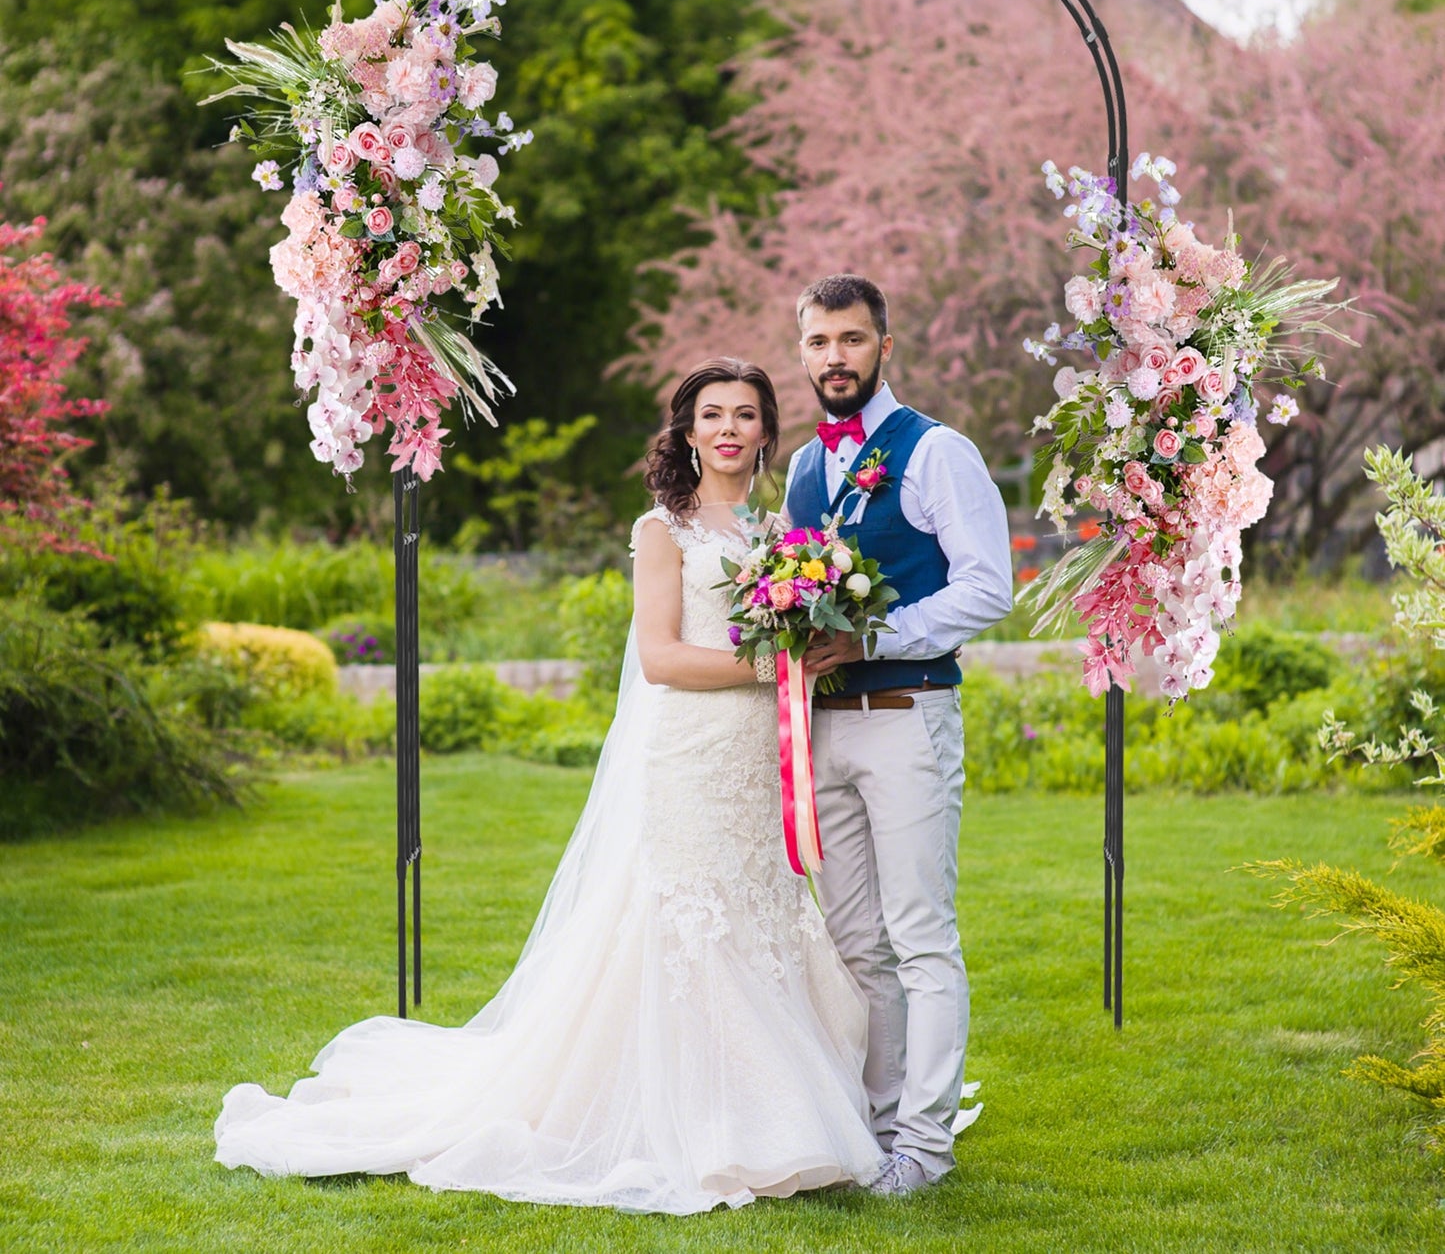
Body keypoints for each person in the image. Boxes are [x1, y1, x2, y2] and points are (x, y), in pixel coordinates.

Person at [214, 357, 886, 1214]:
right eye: (711, 414)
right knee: (691, 912)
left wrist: (808, 650)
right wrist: (770, 662)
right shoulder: (661, 530)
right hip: (691, 751)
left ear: (764, 432)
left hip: (758, 756)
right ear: (685, 432)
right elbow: (661, 657)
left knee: (759, 899)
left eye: (745, 415)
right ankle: (711, 1120)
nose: (728, 428)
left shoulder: (777, 533)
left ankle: (787, 1099)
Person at [785, 274, 1013, 1195]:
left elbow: (986, 586)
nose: (833, 356)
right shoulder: (802, 466)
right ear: (800, 351)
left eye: (849, 338)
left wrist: (873, 633)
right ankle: (879, 1132)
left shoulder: (936, 452)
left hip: (907, 715)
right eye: (816, 341)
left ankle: (925, 1144)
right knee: (854, 943)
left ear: (884, 344)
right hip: (823, 730)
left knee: (920, 936)